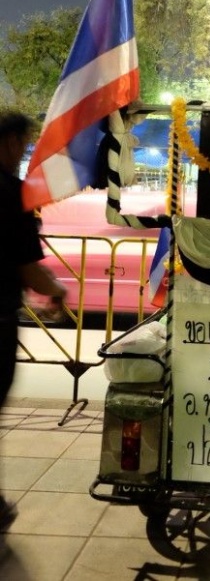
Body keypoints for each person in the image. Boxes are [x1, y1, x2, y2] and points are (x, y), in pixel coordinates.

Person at [0, 111, 67, 531]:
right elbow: (28, 265)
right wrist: (57, 292)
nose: (24, 152)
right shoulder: (10, 193)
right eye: (24, 144)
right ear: (9, 143)